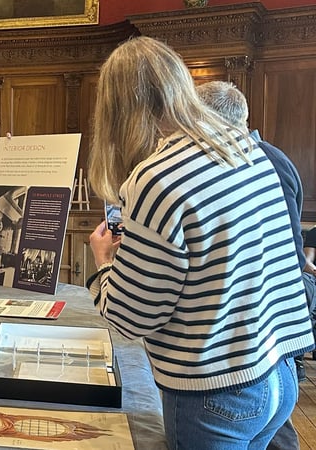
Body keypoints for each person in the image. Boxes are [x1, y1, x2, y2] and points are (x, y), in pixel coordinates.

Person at [86, 36, 314, 449]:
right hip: (278, 373)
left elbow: (130, 320)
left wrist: (104, 265)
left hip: (214, 391)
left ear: (117, 110)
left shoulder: (156, 178)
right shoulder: (247, 148)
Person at [197, 80, 309, 450]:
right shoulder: (272, 157)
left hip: (255, 318)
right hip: (274, 311)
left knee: (272, 428)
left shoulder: (248, 162)